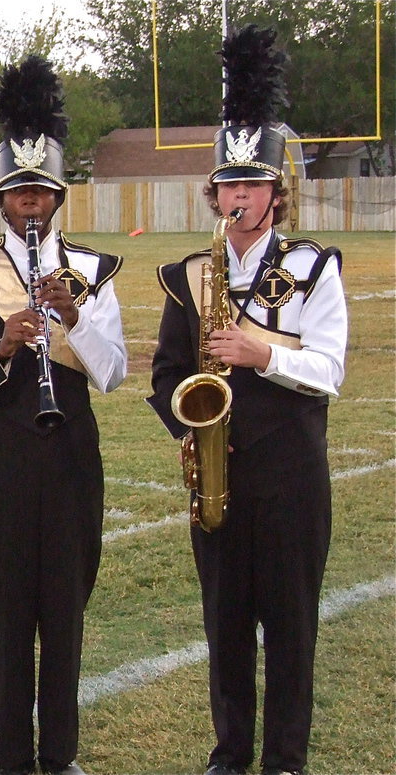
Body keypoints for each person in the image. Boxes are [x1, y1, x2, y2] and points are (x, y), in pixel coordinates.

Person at [147, 26, 346, 775]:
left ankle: (285, 759)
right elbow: (167, 374)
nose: (239, 197)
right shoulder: (188, 274)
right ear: (216, 193)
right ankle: (229, 753)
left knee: (290, 627)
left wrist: (263, 351)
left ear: (274, 192)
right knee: (226, 624)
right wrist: (185, 425)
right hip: (217, 470)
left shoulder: (312, 268)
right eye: (228, 185)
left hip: (292, 471)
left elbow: (330, 368)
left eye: (252, 185)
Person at [0, 56, 126, 775]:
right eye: (18, 193)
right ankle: (10, 756)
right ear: (1, 198)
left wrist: (74, 321)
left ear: (58, 196)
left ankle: (62, 757)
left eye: (41, 192)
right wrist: (4, 343)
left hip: (73, 459)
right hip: (0, 466)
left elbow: (112, 371)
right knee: (7, 615)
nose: (30, 204)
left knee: (67, 612)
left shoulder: (91, 269)